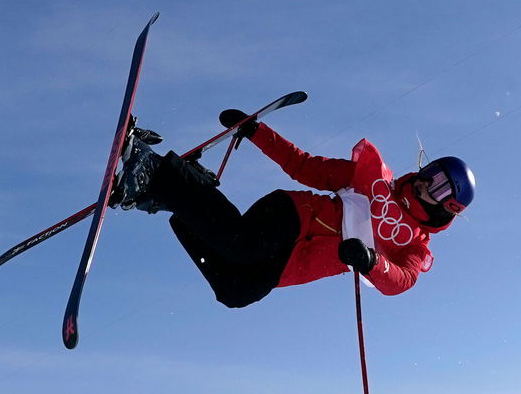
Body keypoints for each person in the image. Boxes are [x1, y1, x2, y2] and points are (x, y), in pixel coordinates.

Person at [111, 109, 475, 308]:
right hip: (292, 216)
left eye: (440, 185)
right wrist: (256, 131)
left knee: (235, 291)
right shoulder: (373, 178)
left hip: (292, 263)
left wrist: (371, 261)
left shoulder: (414, 246)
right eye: (432, 171)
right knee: (242, 244)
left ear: (449, 206)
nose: (427, 182)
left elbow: (401, 281)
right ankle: (156, 171)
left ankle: (181, 190)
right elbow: (305, 166)